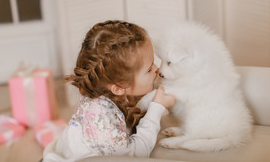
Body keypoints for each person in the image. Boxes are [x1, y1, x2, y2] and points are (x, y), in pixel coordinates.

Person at [43, 20, 176, 162]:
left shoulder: (102, 88)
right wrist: (157, 107)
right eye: (149, 69)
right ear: (118, 87)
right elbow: (137, 155)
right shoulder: (102, 120)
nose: (156, 69)